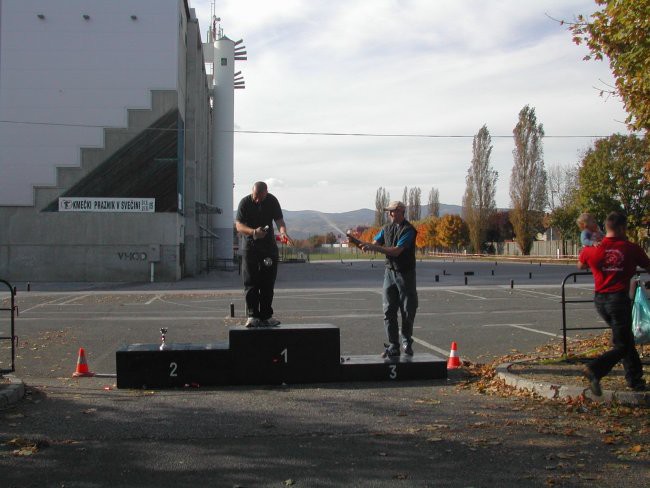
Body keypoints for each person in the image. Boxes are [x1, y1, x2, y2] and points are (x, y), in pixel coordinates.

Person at [578, 211, 650, 395]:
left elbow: (581, 265)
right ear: (621, 228)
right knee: (623, 344)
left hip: (600, 300)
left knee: (626, 338)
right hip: (619, 299)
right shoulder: (630, 248)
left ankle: (635, 379)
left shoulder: (591, 249)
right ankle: (595, 369)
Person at [360, 201, 418, 358]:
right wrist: (366, 245)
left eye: (393, 211)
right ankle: (393, 345)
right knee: (388, 310)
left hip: (405, 274)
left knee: (407, 310)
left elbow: (396, 251)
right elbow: (376, 242)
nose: (390, 214)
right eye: (389, 212)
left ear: (401, 211)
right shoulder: (386, 228)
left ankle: (406, 340)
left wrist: (374, 247)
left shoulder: (409, 230)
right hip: (389, 273)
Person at [235, 182, 292, 327]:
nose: (258, 200)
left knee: (268, 282)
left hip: (268, 248)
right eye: (255, 197)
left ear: (266, 192)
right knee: (251, 282)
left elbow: (279, 220)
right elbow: (239, 225)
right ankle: (253, 315)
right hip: (250, 247)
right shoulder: (245, 203)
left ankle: (266, 316)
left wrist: (283, 232)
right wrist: (254, 232)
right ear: (252, 192)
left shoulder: (272, 201)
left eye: (260, 197)